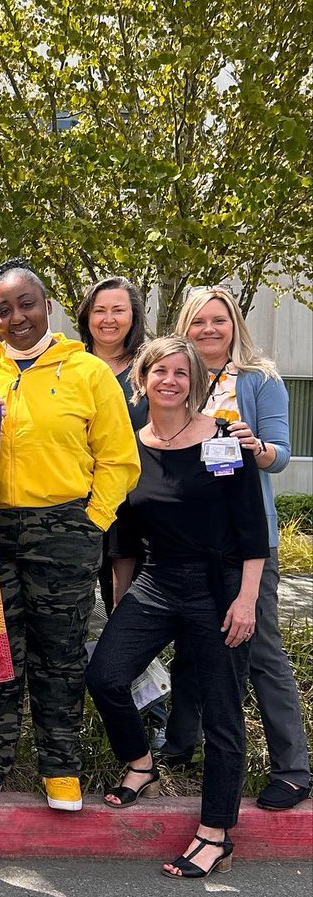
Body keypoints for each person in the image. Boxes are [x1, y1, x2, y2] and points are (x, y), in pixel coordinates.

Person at [0, 261, 139, 811]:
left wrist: (91, 522)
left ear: (47, 304)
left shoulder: (88, 374)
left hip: (64, 528)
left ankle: (61, 767)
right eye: (3, 309)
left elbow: (120, 460)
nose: (16, 317)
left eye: (26, 303)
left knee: (59, 655)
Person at [87, 336, 267, 879]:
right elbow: (123, 533)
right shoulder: (128, 445)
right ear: (141, 378)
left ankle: (215, 833)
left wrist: (246, 600)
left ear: (196, 382)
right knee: (105, 675)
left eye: (181, 373)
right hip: (157, 582)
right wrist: (120, 598)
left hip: (219, 586)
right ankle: (141, 764)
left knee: (222, 714)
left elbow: (251, 528)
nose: (170, 380)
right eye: (159, 371)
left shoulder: (224, 439)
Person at [161, 286, 310, 811]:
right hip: (188, 542)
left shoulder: (259, 379)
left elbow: (281, 458)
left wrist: (256, 446)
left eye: (218, 321)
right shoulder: (178, 378)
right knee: (188, 648)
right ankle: (180, 748)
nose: (207, 330)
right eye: (198, 321)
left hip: (247, 543)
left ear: (234, 325)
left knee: (260, 650)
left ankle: (292, 768)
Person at [76, 276, 151, 615]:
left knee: (125, 606)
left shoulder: (150, 369)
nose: (108, 319)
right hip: (77, 498)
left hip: (136, 501)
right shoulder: (70, 364)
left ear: (133, 316)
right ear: (86, 317)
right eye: (100, 310)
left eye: (118, 310)